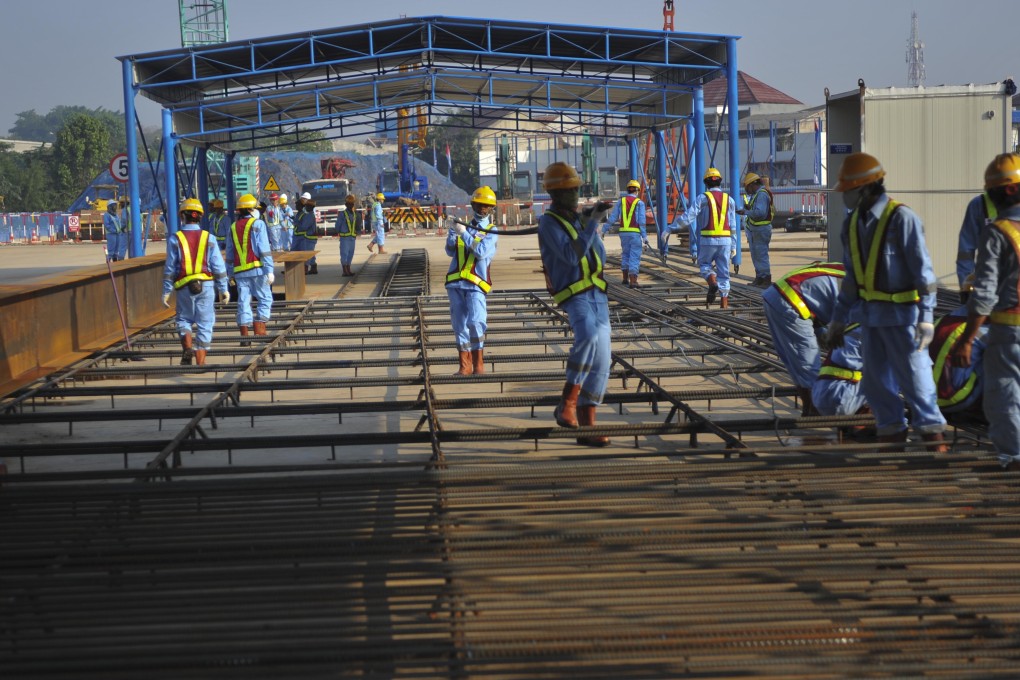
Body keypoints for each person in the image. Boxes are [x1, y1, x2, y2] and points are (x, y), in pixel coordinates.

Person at [826, 152, 947, 452]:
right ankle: (891, 436)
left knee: (916, 380)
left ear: (866, 188)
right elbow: (852, 279)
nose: (847, 198)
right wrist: (839, 320)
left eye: (850, 191)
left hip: (904, 318)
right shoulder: (852, 224)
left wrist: (927, 318)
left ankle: (934, 440)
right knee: (876, 384)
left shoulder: (902, 219)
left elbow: (924, 274)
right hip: (869, 318)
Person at [537, 161, 613, 447]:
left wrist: (593, 218)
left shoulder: (578, 219)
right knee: (589, 337)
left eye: (576, 190)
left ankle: (587, 428)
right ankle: (566, 402)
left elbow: (597, 252)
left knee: (603, 360)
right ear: (555, 195)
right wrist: (591, 223)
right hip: (575, 294)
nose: (574, 195)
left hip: (598, 293)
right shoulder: (548, 223)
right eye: (569, 191)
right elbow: (571, 256)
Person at [954, 153, 1020, 467]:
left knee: (1004, 397)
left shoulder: (998, 232)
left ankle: (1013, 458)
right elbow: (966, 255)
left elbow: (985, 292)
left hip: (1009, 327)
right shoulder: (978, 211)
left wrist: (967, 338)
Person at [762, 262, 846, 416]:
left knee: (798, 362)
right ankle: (816, 410)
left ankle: (809, 409)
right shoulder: (870, 288)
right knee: (808, 360)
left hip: (782, 296)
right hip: (792, 301)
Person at [161, 198, 229, 366]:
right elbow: (218, 267)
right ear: (199, 217)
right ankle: (200, 364)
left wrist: (166, 291)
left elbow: (170, 268)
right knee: (205, 323)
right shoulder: (209, 238)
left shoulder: (175, 239)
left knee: (184, 320)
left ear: (182, 217)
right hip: (205, 286)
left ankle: (187, 348)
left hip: (183, 287)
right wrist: (224, 289)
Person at [446, 186, 499, 375]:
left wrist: (463, 233)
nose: (482, 209)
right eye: (479, 205)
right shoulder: (464, 226)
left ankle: (478, 364)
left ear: (491, 209)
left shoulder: (492, 231)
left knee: (476, 322)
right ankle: (464, 365)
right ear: (473, 205)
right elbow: (450, 251)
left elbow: (481, 252)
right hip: (455, 282)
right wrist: (452, 235)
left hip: (476, 284)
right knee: (459, 325)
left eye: (486, 206)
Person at [672, 167, 737, 308]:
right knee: (724, 272)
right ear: (720, 181)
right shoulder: (729, 200)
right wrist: (734, 246)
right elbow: (733, 225)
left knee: (705, 265)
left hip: (708, 240)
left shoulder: (703, 198)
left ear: (706, 183)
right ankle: (724, 304)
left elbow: (689, 216)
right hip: (726, 241)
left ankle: (712, 282)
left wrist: (672, 227)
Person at [225, 192, 274, 343]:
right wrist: (269, 270)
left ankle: (245, 336)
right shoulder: (258, 224)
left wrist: (230, 273)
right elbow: (263, 249)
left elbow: (229, 252)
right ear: (251, 210)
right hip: (258, 269)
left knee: (243, 302)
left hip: (240, 272)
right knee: (265, 298)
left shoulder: (233, 227)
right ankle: (260, 330)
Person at [931, 302, 987, 421]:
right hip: (958, 398)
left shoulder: (945, 319)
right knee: (1004, 362)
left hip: (928, 399)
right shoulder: (982, 330)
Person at [812, 323, 867, 417]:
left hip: (822, 395)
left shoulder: (852, 326)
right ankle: (861, 427)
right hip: (841, 399)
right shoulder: (871, 332)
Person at [602, 179, 649, 287]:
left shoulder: (621, 201)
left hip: (623, 234)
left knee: (625, 255)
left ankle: (624, 278)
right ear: (637, 190)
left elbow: (613, 217)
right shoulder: (639, 203)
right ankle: (633, 281)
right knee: (634, 256)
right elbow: (641, 221)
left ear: (628, 190)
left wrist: (604, 230)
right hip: (635, 234)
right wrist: (644, 236)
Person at [739, 172, 775, 287]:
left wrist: (746, 212)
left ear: (752, 184)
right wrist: (749, 208)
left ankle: (765, 279)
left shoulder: (762, 194)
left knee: (761, 255)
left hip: (761, 230)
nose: (747, 191)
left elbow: (760, 213)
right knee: (756, 255)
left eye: (747, 187)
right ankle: (759, 278)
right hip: (757, 230)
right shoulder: (758, 195)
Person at [292, 191, 319, 275]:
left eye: (298, 205)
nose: (296, 206)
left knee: (306, 254)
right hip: (304, 236)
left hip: (306, 237)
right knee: (309, 253)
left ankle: (305, 269)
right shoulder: (303, 214)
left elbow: (304, 226)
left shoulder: (308, 215)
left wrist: (296, 223)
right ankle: (312, 267)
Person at [335, 194, 362, 277]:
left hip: (352, 238)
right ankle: (344, 271)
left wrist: (357, 233)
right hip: (345, 238)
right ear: (346, 205)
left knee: (350, 254)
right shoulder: (342, 214)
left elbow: (357, 225)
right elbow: (337, 226)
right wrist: (338, 231)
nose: (351, 205)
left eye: (352, 204)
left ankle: (348, 269)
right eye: (349, 204)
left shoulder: (355, 214)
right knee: (344, 254)